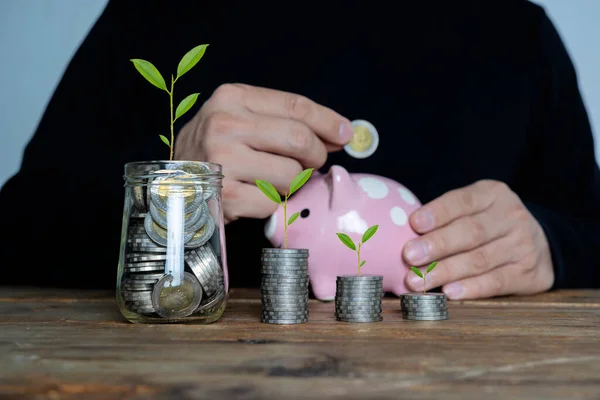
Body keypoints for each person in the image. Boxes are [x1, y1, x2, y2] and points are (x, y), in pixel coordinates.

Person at [1, 0, 599, 299]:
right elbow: (19, 236)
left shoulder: (516, 33)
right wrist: (167, 192)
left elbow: (590, 230)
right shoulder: (155, 17)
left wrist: (549, 244)